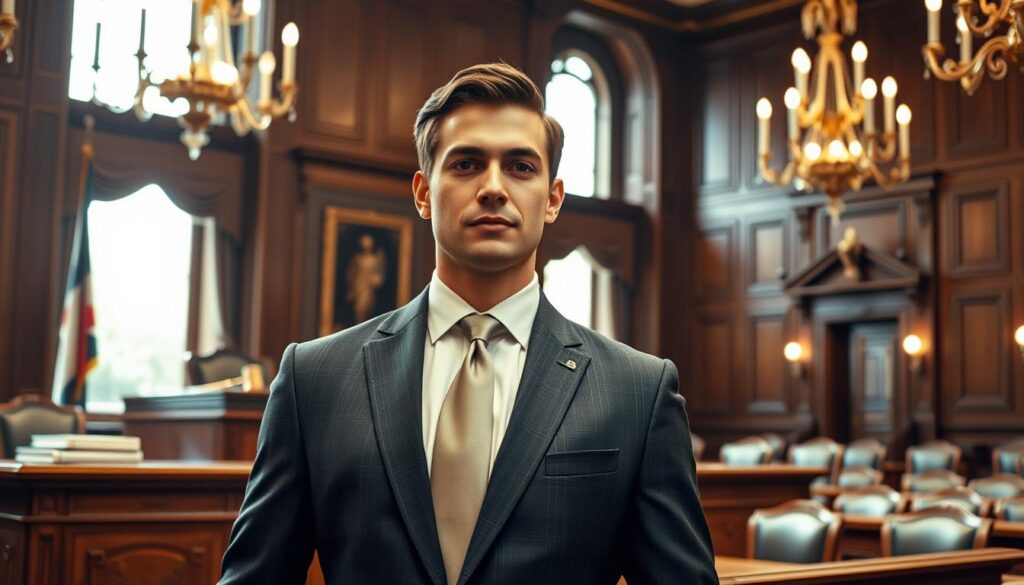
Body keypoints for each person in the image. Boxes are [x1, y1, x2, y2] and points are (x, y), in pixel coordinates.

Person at [220, 62, 717, 585]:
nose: (493, 188)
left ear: (552, 199)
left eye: (522, 167)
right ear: (422, 192)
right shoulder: (314, 378)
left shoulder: (637, 391)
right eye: (466, 164)